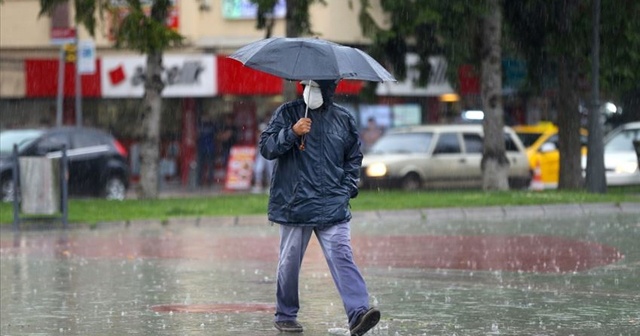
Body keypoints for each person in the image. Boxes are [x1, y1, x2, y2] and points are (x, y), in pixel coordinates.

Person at [259, 79, 380, 335]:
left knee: (342, 255)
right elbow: (267, 148)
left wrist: (347, 188)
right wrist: (292, 132)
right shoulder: (287, 113)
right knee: (289, 263)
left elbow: (353, 157)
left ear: (329, 89)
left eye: (316, 86)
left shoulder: (343, 119)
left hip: (332, 205)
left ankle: (358, 312)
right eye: (306, 86)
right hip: (295, 204)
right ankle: (286, 315)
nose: (310, 92)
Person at [252, 116, 275, 193]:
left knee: (270, 171)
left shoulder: (270, 136)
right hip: (261, 155)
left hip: (269, 155)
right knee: (258, 169)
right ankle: (258, 185)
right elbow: (257, 148)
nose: (260, 132)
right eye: (260, 131)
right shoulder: (258, 138)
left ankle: (271, 187)